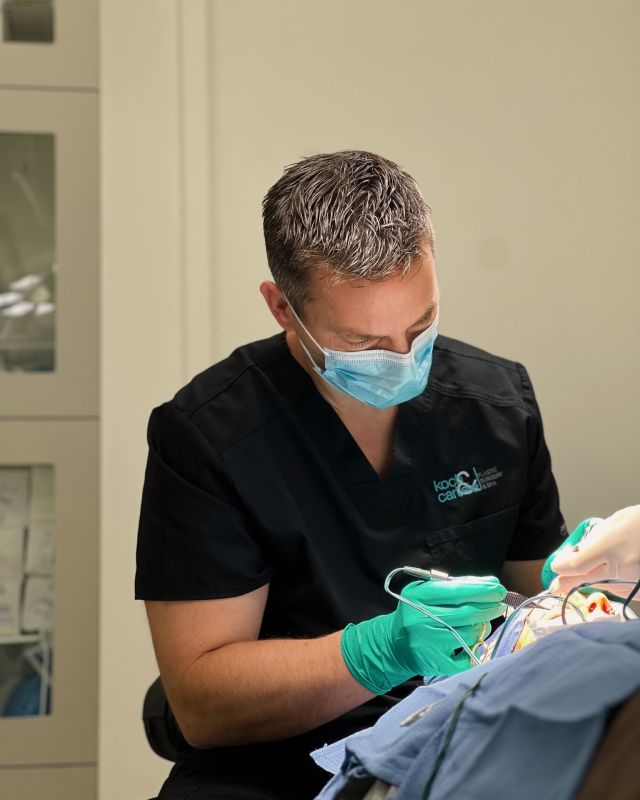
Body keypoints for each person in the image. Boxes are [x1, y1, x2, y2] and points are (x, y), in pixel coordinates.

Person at [135, 150, 568, 799]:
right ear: (283, 308)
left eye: (421, 325)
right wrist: (383, 649)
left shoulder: (496, 404)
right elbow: (200, 701)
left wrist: (600, 574)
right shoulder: (209, 436)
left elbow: (545, 588)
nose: (402, 359)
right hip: (278, 764)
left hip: (462, 737)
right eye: (364, 343)